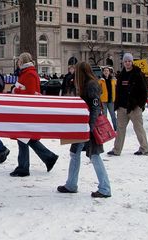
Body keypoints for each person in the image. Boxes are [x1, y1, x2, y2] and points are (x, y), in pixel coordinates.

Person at [57, 62, 111, 198]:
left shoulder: (91, 85)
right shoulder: (86, 84)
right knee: (75, 153)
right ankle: (71, 184)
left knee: (94, 155)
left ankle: (105, 188)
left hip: (88, 127)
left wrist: (89, 128)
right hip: (83, 126)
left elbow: (95, 107)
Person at [9, 52, 59, 177]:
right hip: (25, 111)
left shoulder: (29, 74)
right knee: (25, 138)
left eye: (19, 60)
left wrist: (16, 90)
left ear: (22, 61)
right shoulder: (27, 73)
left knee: (24, 138)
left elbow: (30, 94)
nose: (17, 62)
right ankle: (46, 158)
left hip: (26, 112)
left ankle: (25, 166)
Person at [108, 53, 148, 156]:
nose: (127, 63)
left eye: (129, 61)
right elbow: (118, 91)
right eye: (126, 61)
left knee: (138, 128)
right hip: (122, 107)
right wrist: (117, 105)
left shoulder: (138, 74)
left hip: (134, 107)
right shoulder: (121, 75)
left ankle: (144, 148)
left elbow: (144, 91)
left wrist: (140, 105)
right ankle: (117, 150)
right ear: (123, 63)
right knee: (120, 129)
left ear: (132, 62)